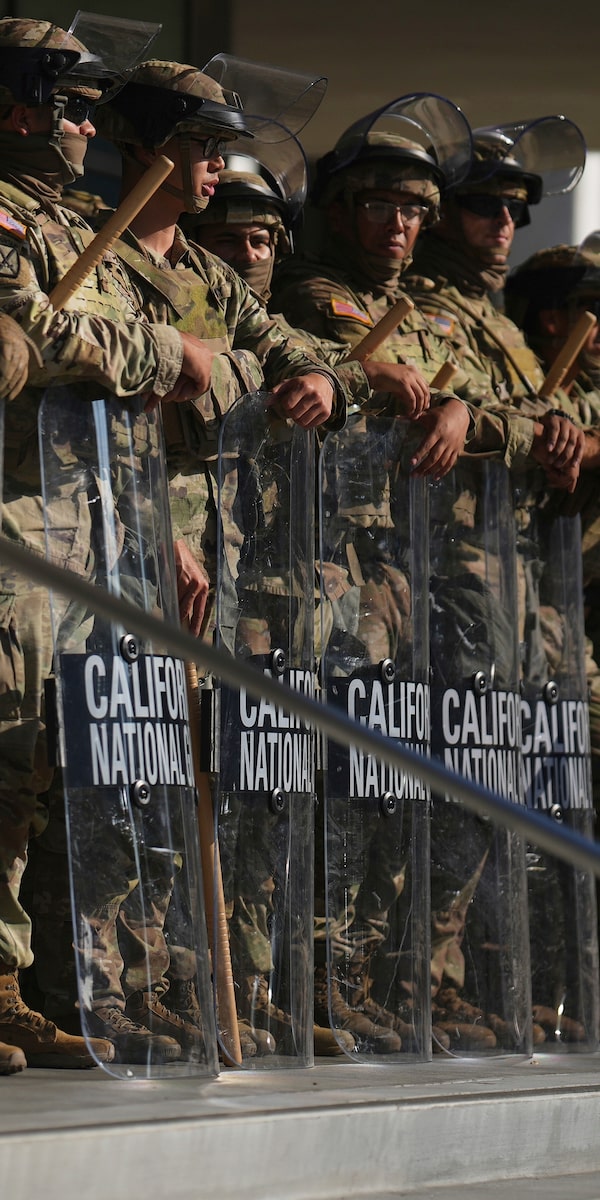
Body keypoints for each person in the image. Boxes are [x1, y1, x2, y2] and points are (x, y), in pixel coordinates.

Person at [0, 16, 227, 1072]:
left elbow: (153, 379)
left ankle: (46, 978)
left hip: (87, 526)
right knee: (5, 749)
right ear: (20, 106)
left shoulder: (71, 223)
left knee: (56, 761)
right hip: (15, 524)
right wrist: (151, 349)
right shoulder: (9, 214)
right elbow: (34, 341)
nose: (90, 126)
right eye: (75, 105)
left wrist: (154, 529)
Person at [406, 122, 592, 1047]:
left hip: (506, 579)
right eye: (485, 205)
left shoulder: (505, 331)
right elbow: (480, 417)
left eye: (516, 211)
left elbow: (541, 416)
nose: (505, 223)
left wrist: (547, 433)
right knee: (447, 781)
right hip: (444, 572)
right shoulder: (431, 309)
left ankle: (448, 981)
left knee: (492, 789)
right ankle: (420, 978)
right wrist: (533, 430)